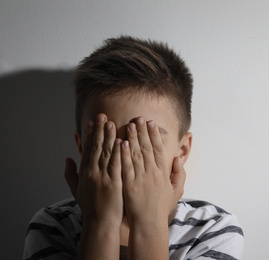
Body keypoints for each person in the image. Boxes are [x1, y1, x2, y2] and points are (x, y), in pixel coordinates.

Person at [23, 36, 244, 260]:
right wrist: (101, 222)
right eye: (106, 141)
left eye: (146, 141)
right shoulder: (53, 227)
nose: (125, 158)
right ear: (83, 147)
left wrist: (149, 222)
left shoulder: (212, 231)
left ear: (183, 151)